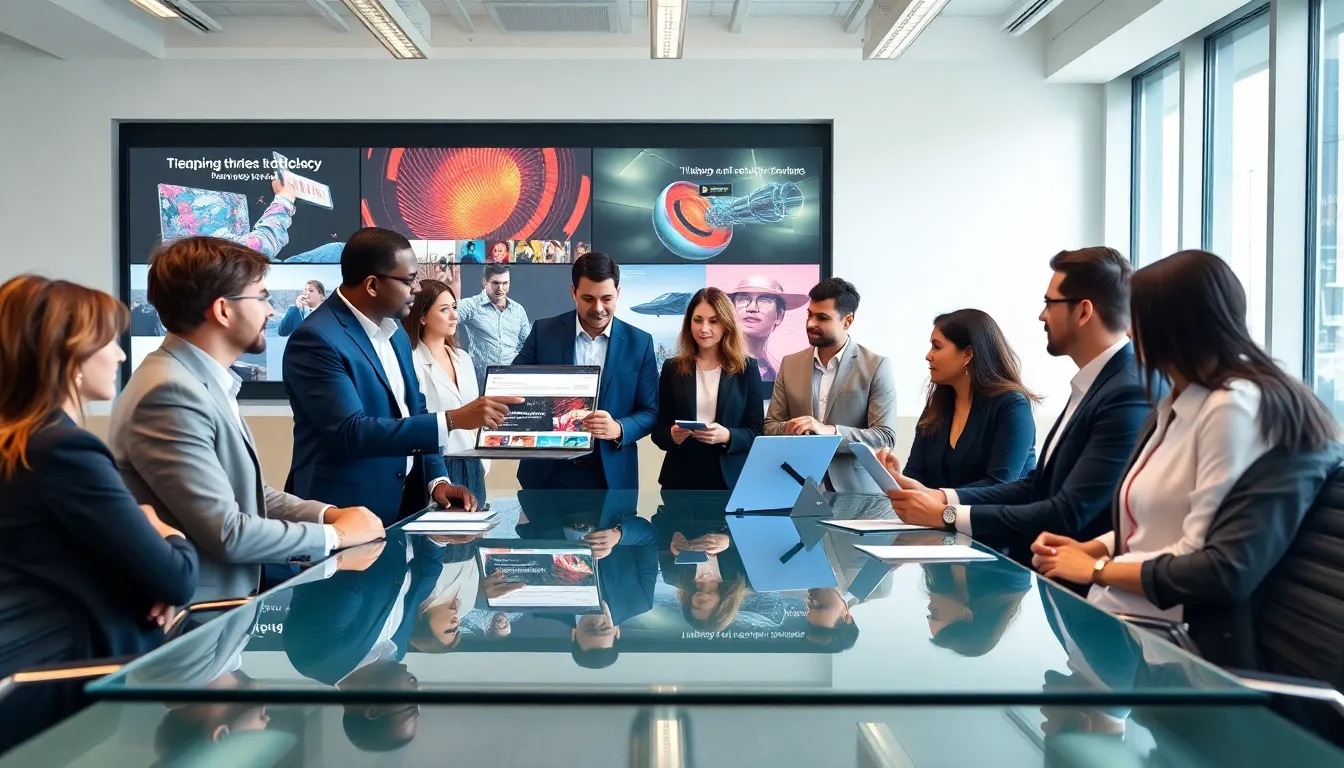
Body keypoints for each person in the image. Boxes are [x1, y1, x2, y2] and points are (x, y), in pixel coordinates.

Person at [1030, 250, 1340, 620]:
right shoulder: (1175, 403)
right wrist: (1092, 549)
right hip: (1122, 619)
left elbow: (1202, 555)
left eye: (1139, 320)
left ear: (1175, 327)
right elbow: (1155, 522)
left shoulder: (1230, 407)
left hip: (1165, 637)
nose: (1129, 332)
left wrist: (1097, 570)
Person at [110, 237, 384, 604]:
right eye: (262, 297)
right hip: (192, 623)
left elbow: (249, 495)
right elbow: (227, 532)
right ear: (223, 310)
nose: (270, 311)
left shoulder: (199, 379)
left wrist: (327, 515)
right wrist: (336, 538)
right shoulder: (170, 394)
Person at [0, 276, 198, 746]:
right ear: (70, 355)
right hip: (59, 685)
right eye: (110, 341)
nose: (121, 355)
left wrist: (146, 571)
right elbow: (176, 580)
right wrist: (161, 529)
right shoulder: (62, 449)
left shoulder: (21, 443)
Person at [882, 247, 1152, 565]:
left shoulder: (1126, 389)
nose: (1041, 315)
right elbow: (1039, 485)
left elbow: (1069, 511)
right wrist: (941, 499)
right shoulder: (1097, 382)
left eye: (1050, 303)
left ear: (1083, 311)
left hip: (1079, 583)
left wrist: (948, 513)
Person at [282, 227, 521, 523]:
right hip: (344, 515)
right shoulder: (316, 339)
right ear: (372, 285)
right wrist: (453, 419)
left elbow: (414, 412)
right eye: (409, 281)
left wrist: (438, 481)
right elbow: (351, 432)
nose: (417, 290)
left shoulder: (395, 334)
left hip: (406, 510)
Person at [512, 252, 659, 490]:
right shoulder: (544, 332)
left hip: (611, 475)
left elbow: (650, 412)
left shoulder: (639, 343)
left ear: (618, 294)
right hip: (547, 475)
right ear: (573, 293)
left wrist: (619, 428)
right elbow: (513, 386)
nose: (598, 308)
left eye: (607, 298)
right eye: (588, 298)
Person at [763, 278, 897, 493]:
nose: (810, 324)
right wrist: (791, 429)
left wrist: (829, 431)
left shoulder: (876, 366)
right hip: (797, 488)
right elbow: (770, 427)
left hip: (856, 493)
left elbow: (885, 437)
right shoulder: (789, 364)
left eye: (822, 317)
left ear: (847, 321)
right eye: (809, 315)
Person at [897, 309, 1038, 490]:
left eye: (937, 346)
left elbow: (999, 485)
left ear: (968, 354)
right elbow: (915, 474)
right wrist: (895, 478)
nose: (928, 355)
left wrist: (938, 499)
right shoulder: (938, 404)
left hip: (997, 518)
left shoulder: (1012, 405)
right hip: (938, 518)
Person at [652, 287, 764, 490]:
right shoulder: (672, 368)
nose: (704, 328)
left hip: (730, 481)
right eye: (698, 320)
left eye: (713, 321)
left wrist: (727, 436)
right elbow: (658, 431)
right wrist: (672, 435)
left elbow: (756, 431)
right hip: (680, 480)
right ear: (689, 323)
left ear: (726, 324)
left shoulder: (747, 369)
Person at [404, 279, 488, 502]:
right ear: (422, 316)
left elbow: (477, 414)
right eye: (444, 309)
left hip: (473, 463)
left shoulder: (463, 359)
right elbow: (416, 420)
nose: (454, 316)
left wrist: (482, 462)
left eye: (454, 307)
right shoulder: (410, 361)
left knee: (475, 534)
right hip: (435, 465)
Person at [446, 263, 531, 393]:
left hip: (512, 383)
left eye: (505, 283)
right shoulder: (472, 306)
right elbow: (446, 318)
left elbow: (526, 345)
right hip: (482, 384)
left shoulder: (518, 310)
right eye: (495, 283)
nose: (501, 288)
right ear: (485, 282)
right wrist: (450, 298)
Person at [725, 275, 809, 382]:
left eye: (764, 300)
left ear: (779, 316)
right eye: (744, 299)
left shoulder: (779, 372)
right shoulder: (716, 363)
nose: (752, 308)